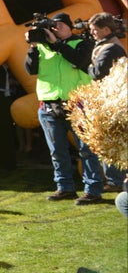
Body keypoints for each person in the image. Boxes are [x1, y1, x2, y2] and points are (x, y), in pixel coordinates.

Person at [24, 12, 103, 204]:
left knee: (86, 150)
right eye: (52, 26)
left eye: (59, 25)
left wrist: (57, 44)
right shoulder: (43, 47)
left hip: (78, 104)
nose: (55, 29)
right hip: (49, 105)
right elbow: (30, 69)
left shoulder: (83, 43)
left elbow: (79, 61)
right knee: (57, 151)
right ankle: (65, 187)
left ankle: (93, 190)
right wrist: (33, 47)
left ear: (69, 27)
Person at [87, 12, 127, 193]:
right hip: (109, 98)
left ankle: (115, 180)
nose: (92, 33)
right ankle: (114, 179)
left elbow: (97, 73)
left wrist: (87, 66)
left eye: (95, 30)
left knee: (113, 140)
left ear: (106, 29)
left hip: (113, 100)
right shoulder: (107, 45)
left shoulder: (111, 48)